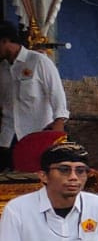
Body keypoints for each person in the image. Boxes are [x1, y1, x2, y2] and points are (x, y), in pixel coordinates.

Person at [0, 21, 68, 169]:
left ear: (5, 41)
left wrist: (58, 125)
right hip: (8, 136)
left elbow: (57, 94)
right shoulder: (2, 69)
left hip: (37, 133)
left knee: (38, 176)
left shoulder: (38, 61)